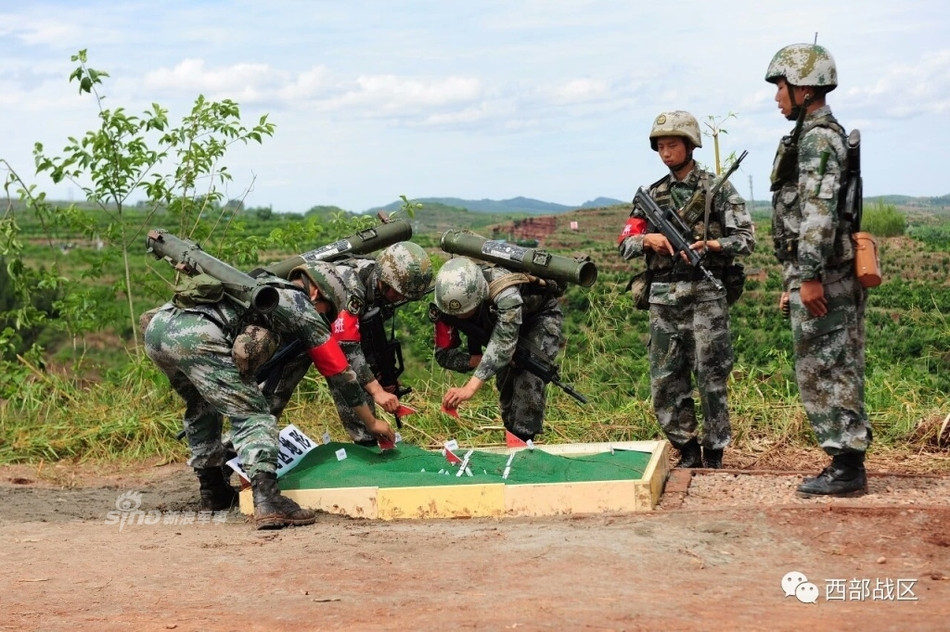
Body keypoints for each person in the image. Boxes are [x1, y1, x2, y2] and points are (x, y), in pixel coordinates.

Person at [144, 260, 395, 529]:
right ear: (315, 294)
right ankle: (268, 500)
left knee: (201, 405)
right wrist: (372, 422)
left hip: (160, 329)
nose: (325, 318)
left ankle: (213, 490)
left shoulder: (266, 286)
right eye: (327, 311)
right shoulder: (301, 306)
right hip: (197, 336)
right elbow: (339, 371)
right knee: (253, 414)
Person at [618, 110, 755, 469]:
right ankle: (687, 448)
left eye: (673, 145)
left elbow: (745, 240)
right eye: (660, 146)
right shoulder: (651, 195)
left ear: (690, 146)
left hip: (706, 296)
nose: (666, 153)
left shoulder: (717, 190)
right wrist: (650, 239)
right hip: (664, 299)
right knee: (666, 380)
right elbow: (624, 243)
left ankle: (714, 452)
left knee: (711, 377)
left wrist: (711, 246)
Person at [766, 43, 871, 496]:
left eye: (781, 87)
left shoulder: (818, 138)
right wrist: (796, 278)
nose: (777, 98)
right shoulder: (810, 134)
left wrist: (808, 276)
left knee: (832, 366)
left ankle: (847, 468)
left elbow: (819, 213)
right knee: (821, 365)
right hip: (816, 271)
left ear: (804, 88)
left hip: (826, 274)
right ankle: (843, 460)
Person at [259, 242, 434, 445]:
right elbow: (346, 349)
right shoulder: (353, 286)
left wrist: (379, 375)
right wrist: (377, 390)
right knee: (274, 395)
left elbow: (364, 334)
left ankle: (367, 440)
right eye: (397, 292)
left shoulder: (380, 283)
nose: (399, 298)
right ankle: (243, 448)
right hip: (298, 329)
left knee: (359, 376)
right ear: (384, 280)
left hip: (325, 334)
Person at [431, 256, 563, 443]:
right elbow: (443, 355)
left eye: (464, 313)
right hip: (499, 328)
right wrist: (478, 360)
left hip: (537, 317)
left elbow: (503, 344)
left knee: (528, 378)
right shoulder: (447, 303)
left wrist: (469, 388)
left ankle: (524, 443)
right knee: (507, 386)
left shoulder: (504, 293)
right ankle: (513, 437)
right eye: (455, 314)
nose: (459, 317)